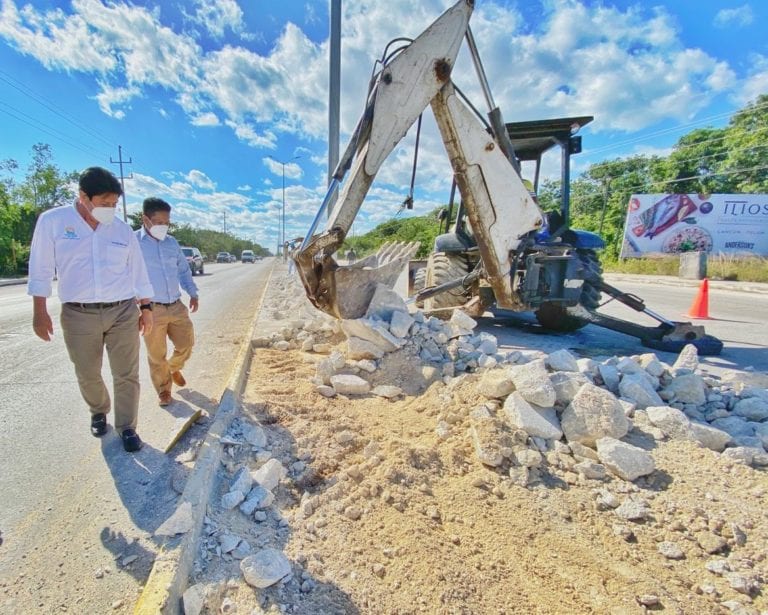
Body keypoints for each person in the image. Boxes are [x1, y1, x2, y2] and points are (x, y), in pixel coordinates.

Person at [28, 167, 154, 453]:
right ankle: (98, 410)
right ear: (83, 196)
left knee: (127, 372)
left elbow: (137, 270)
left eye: (114, 204)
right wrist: (39, 310)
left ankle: (127, 426)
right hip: (78, 312)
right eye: (104, 203)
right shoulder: (54, 222)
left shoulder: (121, 230)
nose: (110, 209)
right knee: (87, 371)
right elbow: (41, 268)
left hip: (122, 310)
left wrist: (146, 306)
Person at [136, 197, 199, 407]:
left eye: (167, 222)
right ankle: (163, 391)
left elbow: (183, 270)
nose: (163, 226)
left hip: (175, 304)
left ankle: (172, 368)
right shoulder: (134, 243)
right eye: (159, 222)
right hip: (151, 308)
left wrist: (193, 293)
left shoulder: (171, 243)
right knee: (156, 355)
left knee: (187, 343)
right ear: (145, 219)